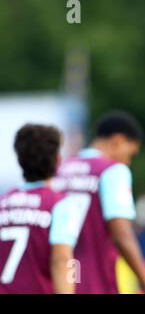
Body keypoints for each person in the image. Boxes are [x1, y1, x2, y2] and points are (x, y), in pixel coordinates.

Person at [53, 111, 145, 294]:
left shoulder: (61, 170)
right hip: (94, 282)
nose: (128, 162)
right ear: (117, 140)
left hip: (58, 281)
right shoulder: (113, 171)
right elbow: (122, 235)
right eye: (130, 153)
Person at [0, 124, 80, 294]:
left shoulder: (3, 203)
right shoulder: (60, 204)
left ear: (19, 159)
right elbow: (62, 259)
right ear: (58, 160)